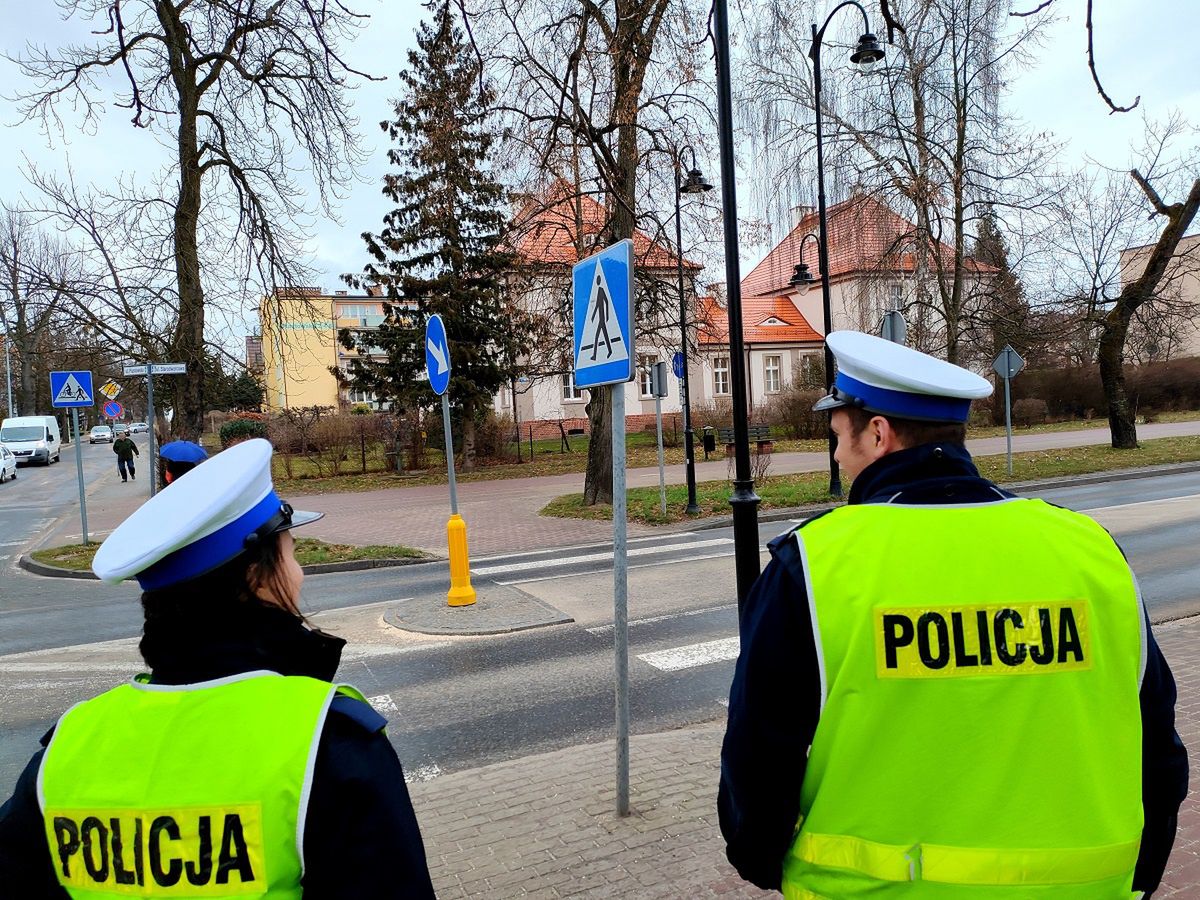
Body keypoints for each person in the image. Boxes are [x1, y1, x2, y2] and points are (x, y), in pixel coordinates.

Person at [719, 331, 1188, 899]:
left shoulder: (814, 566)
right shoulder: (1087, 548)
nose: (838, 456)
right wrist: (1143, 870)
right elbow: (1154, 735)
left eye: (839, 438)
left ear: (878, 433)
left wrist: (760, 859)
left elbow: (760, 755)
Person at [0, 438, 436, 898]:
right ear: (258, 576)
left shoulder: (69, 747)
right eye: (291, 553)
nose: (300, 573)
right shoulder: (328, 743)